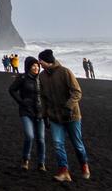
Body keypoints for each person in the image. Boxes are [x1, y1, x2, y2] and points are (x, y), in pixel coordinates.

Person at [38, 48, 89, 182]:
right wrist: (44, 115)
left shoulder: (65, 72)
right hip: (54, 116)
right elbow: (43, 97)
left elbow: (77, 92)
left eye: (41, 61)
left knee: (77, 144)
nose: (39, 63)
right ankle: (64, 171)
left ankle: (84, 166)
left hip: (72, 116)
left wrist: (68, 107)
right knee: (57, 143)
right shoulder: (42, 76)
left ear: (48, 61)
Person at [8, 56, 46, 172]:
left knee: (41, 139)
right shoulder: (23, 78)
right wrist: (21, 101)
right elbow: (12, 90)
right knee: (29, 136)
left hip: (39, 112)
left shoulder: (41, 79)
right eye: (33, 66)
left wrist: (47, 113)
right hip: (26, 111)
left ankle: (41, 163)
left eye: (37, 66)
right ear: (29, 67)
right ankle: (25, 159)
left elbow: (45, 96)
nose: (36, 68)